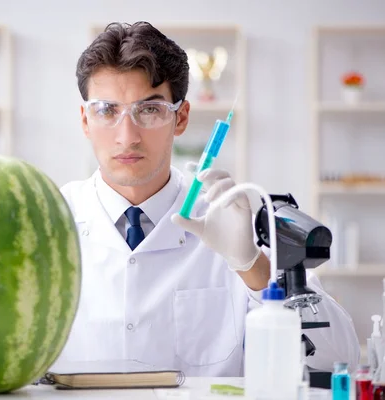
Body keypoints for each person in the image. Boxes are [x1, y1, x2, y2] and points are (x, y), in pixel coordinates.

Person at [55, 21, 360, 377]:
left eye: (149, 110)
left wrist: (252, 266)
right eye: (107, 110)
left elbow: (339, 360)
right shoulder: (48, 222)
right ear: (85, 120)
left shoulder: (232, 220)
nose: (127, 137)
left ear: (180, 117)